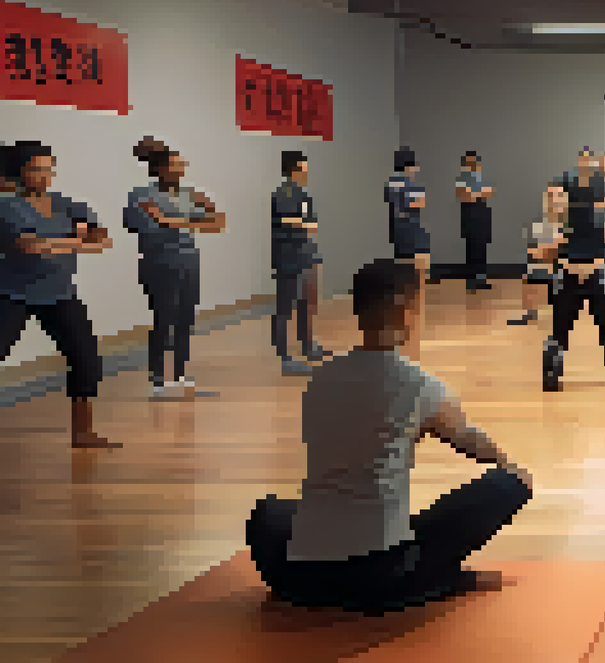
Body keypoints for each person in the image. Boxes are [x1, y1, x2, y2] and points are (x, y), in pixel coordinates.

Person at [245, 258, 533, 614]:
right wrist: (509, 465)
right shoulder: (419, 386)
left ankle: (362, 577)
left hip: (298, 573)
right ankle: (432, 581)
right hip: (379, 576)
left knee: (270, 512)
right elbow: (465, 436)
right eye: (418, 305)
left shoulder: (318, 382)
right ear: (403, 310)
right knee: (509, 486)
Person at [0, 141, 117, 448]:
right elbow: (30, 246)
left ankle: (83, 433)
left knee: (86, 358)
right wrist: (74, 240)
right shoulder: (7, 205)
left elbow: (103, 239)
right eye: (36, 170)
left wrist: (55, 242)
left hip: (60, 292)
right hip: (13, 293)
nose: (44, 176)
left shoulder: (67, 203)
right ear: (21, 172)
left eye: (48, 170)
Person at [125, 137, 227, 399]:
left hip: (188, 262)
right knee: (164, 319)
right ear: (160, 168)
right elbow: (148, 227)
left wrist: (172, 219)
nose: (181, 170)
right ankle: (159, 379)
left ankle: (180, 377)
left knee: (185, 319)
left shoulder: (188, 194)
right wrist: (189, 220)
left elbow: (218, 222)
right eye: (176, 165)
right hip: (159, 262)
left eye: (182, 165)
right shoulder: (141, 195)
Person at [543, 148, 605, 391]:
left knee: (600, 329)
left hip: (588, 276)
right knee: (566, 331)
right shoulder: (574, 221)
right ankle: (554, 376)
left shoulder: (590, 218)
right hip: (576, 277)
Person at [271, 152, 328, 375]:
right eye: (303, 168)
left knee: (308, 303)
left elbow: (310, 222)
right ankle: (285, 356)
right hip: (288, 258)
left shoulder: (303, 195)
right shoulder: (282, 193)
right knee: (285, 308)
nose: (306, 172)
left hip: (306, 255)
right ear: (293, 169)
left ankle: (308, 345)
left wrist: (304, 224)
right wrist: (302, 223)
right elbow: (285, 221)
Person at [509, 185, 566, 326]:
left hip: (563, 265)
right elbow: (534, 249)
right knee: (529, 274)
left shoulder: (568, 223)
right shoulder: (540, 225)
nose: (554, 201)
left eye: (557, 197)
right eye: (551, 197)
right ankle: (530, 313)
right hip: (545, 262)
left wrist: (546, 251)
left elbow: (562, 248)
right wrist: (542, 252)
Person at [386, 147, 431, 276]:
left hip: (396, 231)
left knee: (402, 266)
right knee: (419, 267)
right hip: (411, 230)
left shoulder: (391, 184)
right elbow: (418, 203)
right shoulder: (412, 185)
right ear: (408, 166)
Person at [456, 151, 495, 292]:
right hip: (470, 221)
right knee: (471, 250)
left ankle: (481, 280)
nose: (472, 166)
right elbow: (466, 197)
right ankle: (471, 281)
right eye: (469, 163)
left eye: (474, 163)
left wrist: (475, 193)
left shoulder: (480, 180)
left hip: (482, 220)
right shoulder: (461, 180)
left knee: (482, 250)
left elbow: (489, 192)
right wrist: (479, 193)